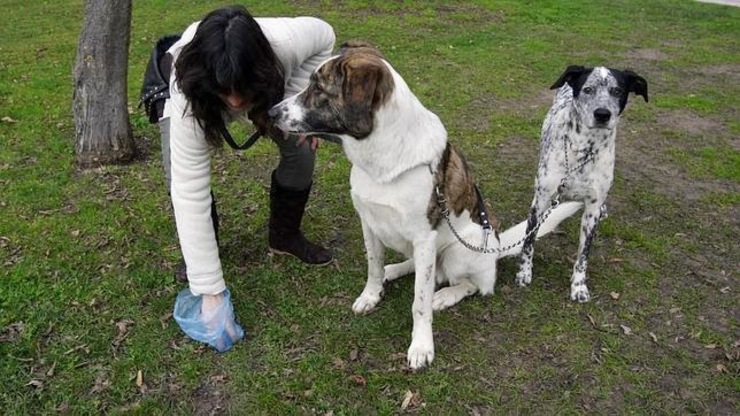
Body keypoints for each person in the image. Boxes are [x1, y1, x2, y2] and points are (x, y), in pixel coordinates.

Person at [157, 5, 336, 351]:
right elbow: (189, 189)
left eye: (242, 89)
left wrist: (295, 100)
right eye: (229, 91)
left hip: (269, 89)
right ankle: (204, 256)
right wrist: (209, 290)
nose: (236, 100)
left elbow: (325, 35)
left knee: (301, 149)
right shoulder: (188, 86)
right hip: (198, 96)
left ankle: (284, 236)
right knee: (176, 176)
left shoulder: (287, 43)